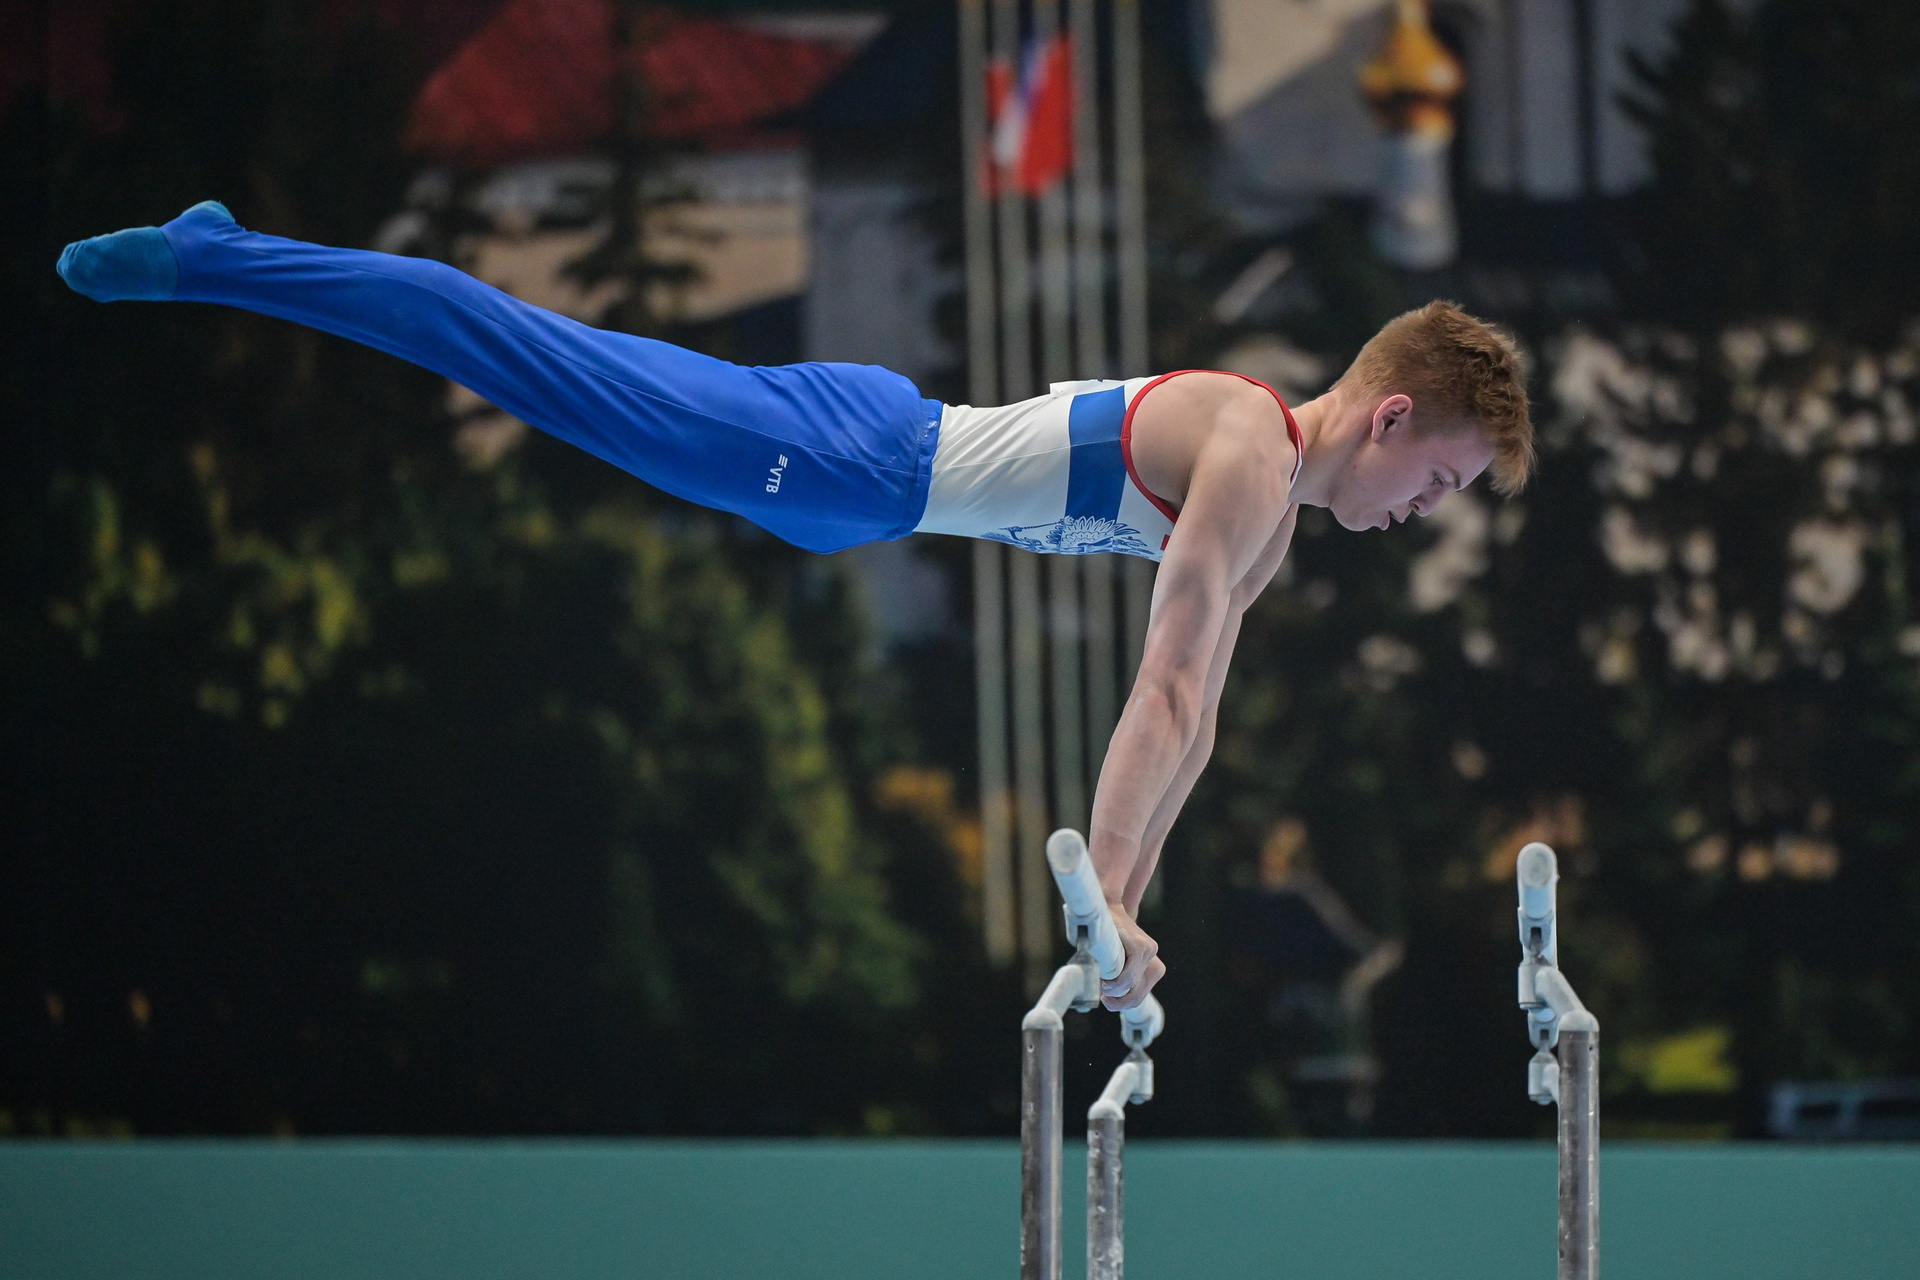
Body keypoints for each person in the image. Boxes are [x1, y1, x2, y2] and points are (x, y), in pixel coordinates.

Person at [57, 201, 1533, 1014]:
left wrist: (1123, 906)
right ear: (1393, 417)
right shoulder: (1250, 455)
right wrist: (1108, 893)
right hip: (848, 455)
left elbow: (1194, 723)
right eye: (1444, 481)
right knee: (517, 352)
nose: (1427, 513)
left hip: (857, 482)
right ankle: (212, 256)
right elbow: (1163, 685)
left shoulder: (1273, 515)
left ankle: (231, 259)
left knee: (536, 368)